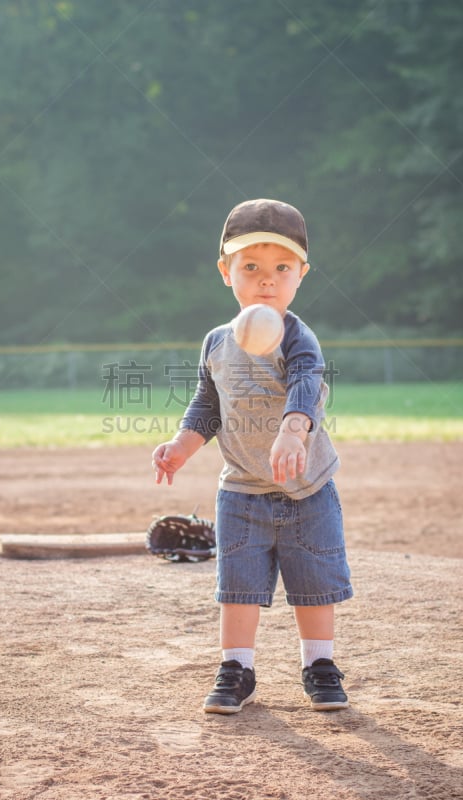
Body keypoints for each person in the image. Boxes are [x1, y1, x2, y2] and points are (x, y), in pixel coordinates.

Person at [152, 198, 353, 714]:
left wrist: (293, 430)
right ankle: (236, 668)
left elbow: (308, 382)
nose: (268, 280)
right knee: (237, 586)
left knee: (314, 585)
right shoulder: (217, 343)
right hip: (241, 490)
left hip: (306, 489)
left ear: (301, 276)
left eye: (282, 268)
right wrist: (181, 446)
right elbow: (208, 405)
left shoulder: (296, 335)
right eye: (251, 267)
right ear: (226, 272)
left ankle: (319, 665)